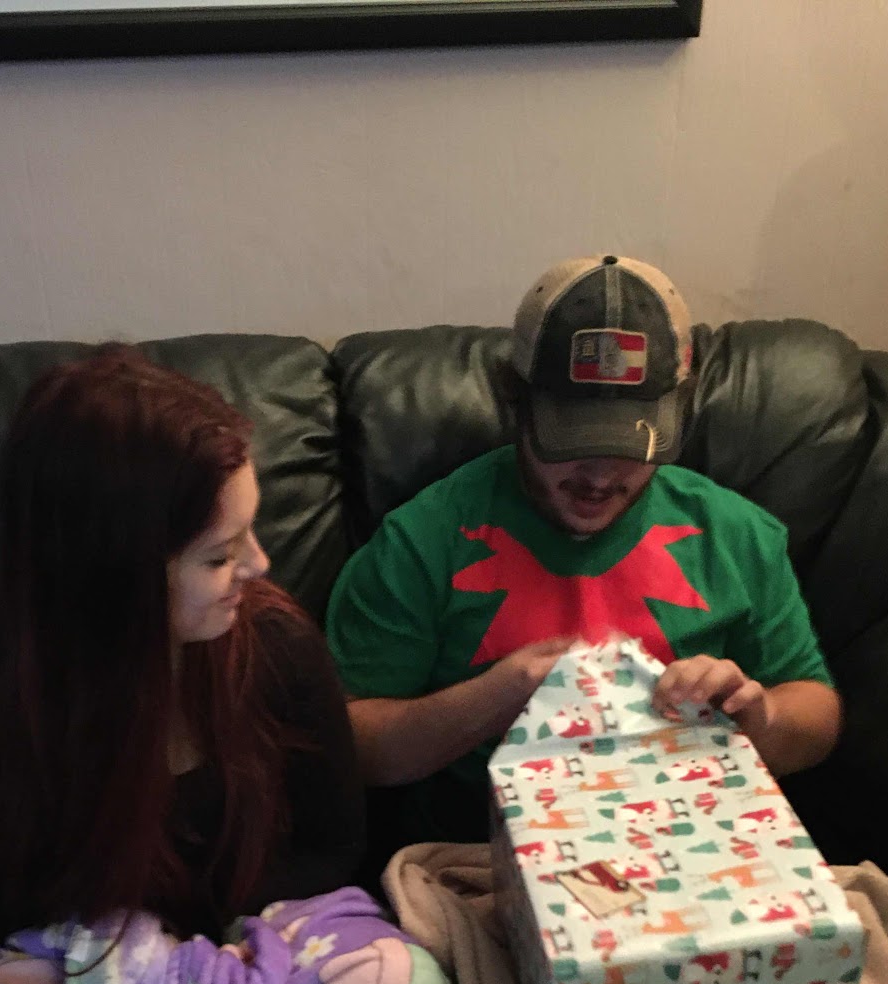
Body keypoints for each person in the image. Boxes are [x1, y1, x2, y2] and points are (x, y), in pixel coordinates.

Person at [325, 255, 842, 852]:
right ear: (516, 404)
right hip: (486, 858)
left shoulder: (736, 533)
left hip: (693, 849)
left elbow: (817, 714)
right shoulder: (423, 540)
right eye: (572, 440)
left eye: (630, 443)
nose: (599, 476)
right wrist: (493, 699)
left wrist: (759, 717)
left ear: (677, 410)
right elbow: (348, 748)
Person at [0, 346, 363, 942]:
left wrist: (210, 951)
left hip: (255, 949)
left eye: (251, 530)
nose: (258, 564)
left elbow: (332, 850)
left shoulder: (276, 646)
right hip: (68, 964)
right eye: (219, 556)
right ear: (116, 575)